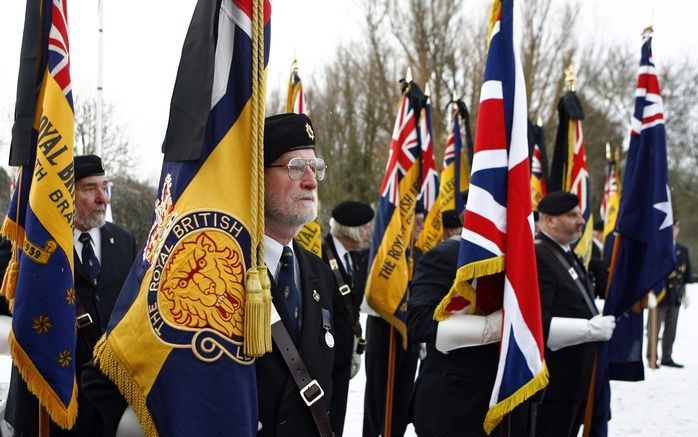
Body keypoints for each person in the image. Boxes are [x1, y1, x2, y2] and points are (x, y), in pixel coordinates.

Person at [5, 155, 137, 437]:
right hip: (48, 399)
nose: (103, 198)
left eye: (105, 187)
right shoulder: (35, 243)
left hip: (104, 401)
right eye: (90, 188)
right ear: (65, 195)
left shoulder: (124, 241)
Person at [256, 113, 337, 437]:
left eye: (315, 168)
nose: (311, 181)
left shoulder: (317, 270)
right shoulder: (220, 267)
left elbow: (333, 378)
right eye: (294, 168)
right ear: (256, 177)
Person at [534, 191, 616, 437]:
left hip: (578, 380)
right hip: (555, 385)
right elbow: (538, 324)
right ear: (549, 220)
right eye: (572, 215)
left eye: (579, 214)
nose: (581, 221)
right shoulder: (540, 256)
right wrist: (589, 330)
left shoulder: (567, 254)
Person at [361, 204, 423, 437]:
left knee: (401, 404)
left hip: (409, 338)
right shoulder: (385, 256)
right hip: (383, 335)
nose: (421, 226)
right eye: (416, 221)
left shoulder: (420, 255)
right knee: (376, 404)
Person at [322, 200, 374, 436]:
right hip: (325, 356)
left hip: (343, 353)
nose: (368, 232)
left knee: (338, 418)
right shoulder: (321, 253)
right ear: (350, 230)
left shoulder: (352, 257)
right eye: (364, 228)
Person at [649, 221, 692, 368]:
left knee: (671, 329)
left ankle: (667, 356)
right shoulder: (657, 247)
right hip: (659, 294)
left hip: (675, 295)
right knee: (654, 328)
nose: (673, 231)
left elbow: (686, 274)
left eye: (676, 228)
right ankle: (652, 357)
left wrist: (686, 293)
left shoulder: (682, 249)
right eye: (671, 228)